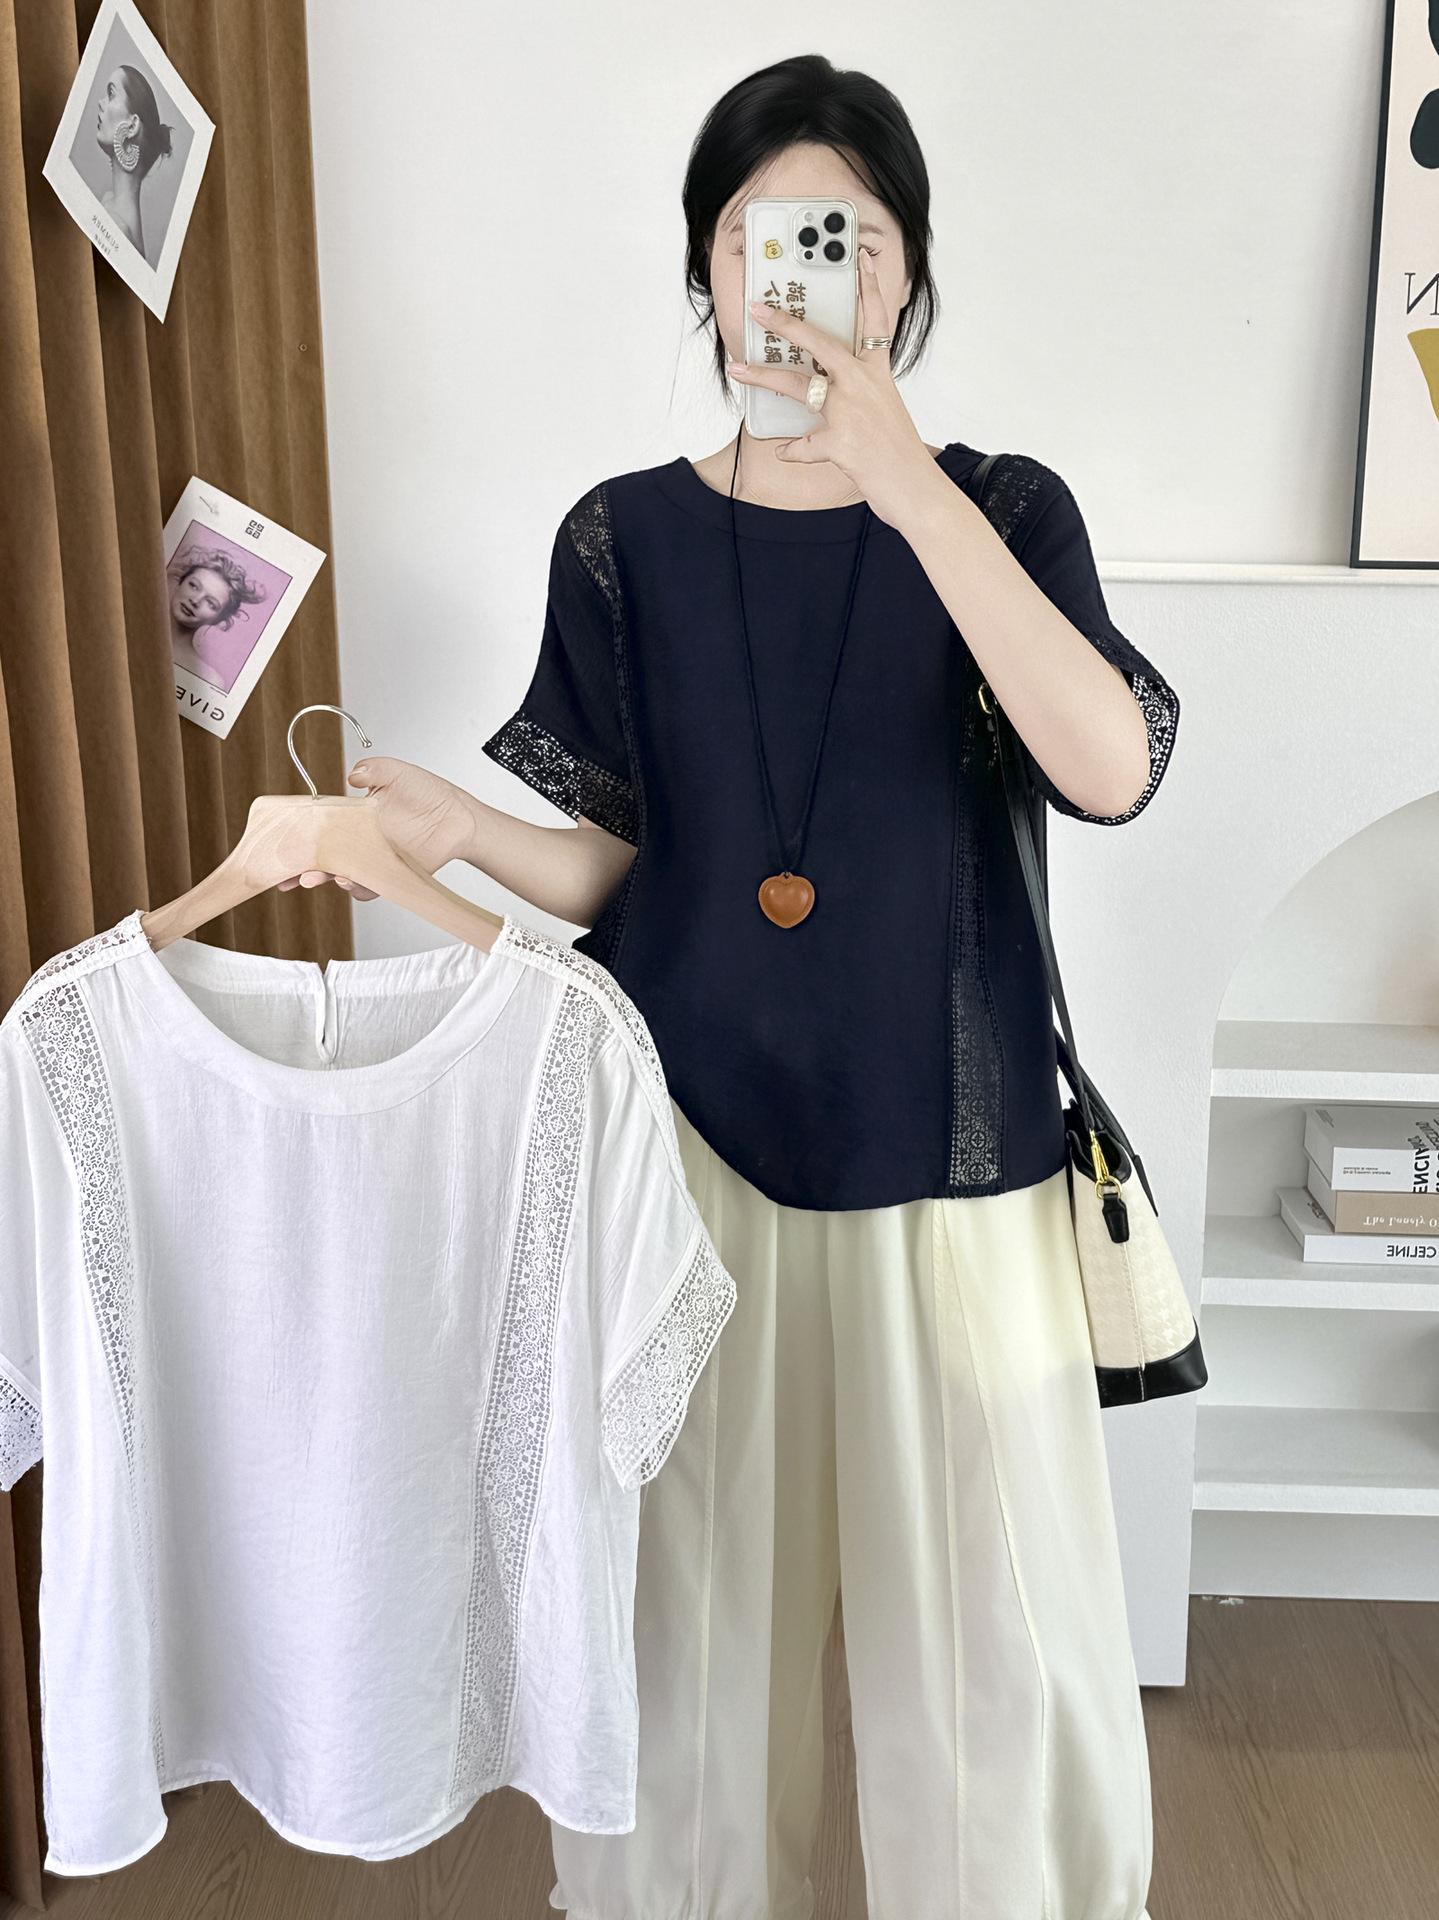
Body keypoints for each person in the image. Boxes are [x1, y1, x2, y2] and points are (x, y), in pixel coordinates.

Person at [284, 53, 1175, 1920]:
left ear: (907, 273)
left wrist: (904, 483)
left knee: (995, 1671)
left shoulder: (1003, 509)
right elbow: (629, 867)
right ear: (705, 267)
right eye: (760, 236)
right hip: (684, 1166)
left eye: (849, 237)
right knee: (685, 1655)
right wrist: (464, 829)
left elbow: (1108, 768)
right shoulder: (624, 539)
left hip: (957, 1170)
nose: (802, 276)